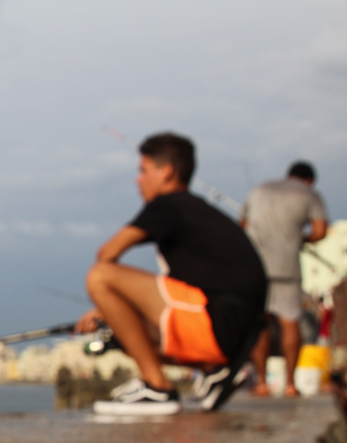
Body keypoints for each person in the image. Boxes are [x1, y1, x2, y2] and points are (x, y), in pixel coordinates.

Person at [75, 132, 268, 414]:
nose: (137, 180)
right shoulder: (198, 211)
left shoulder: (168, 205)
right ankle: (212, 371)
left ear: (166, 172)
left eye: (143, 171)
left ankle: (157, 387)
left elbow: (107, 255)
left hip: (218, 326)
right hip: (237, 337)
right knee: (122, 333)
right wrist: (110, 314)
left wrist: (102, 305)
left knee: (100, 277)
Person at [240, 162, 328, 397]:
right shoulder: (309, 194)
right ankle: (290, 384)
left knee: (260, 324)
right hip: (287, 267)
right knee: (290, 322)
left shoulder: (258, 191)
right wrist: (302, 239)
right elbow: (320, 230)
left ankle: (261, 383)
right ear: (309, 180)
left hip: (255, 266)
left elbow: (243, 226)